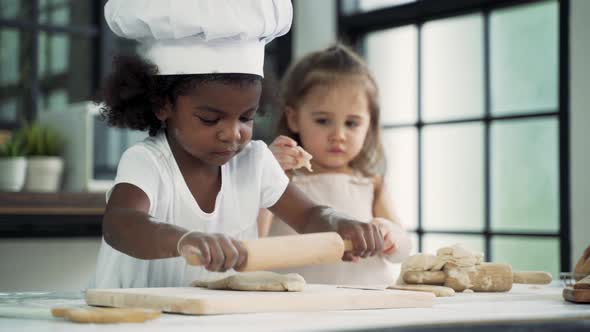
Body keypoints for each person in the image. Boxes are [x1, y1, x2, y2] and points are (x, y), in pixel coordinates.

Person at [90, 0, 384, 289]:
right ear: (162, 106)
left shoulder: (254, 161)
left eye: (246, 117)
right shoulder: (147, 161)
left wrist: (341, 222)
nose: (232, 134)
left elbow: (308, 215)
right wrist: (184, 240)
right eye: (210, 119)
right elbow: (122, 223)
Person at [258, 44, 412, 286]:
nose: (338, 134)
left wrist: (390, 235)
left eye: (352, 123)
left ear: (369, 125)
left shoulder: (371, 183)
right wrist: (265, 170)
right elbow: (255, 239)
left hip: (368, 302)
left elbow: (404, 251)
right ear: (294, 118)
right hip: (299, 306)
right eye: (323, 120)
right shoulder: (283, 179)